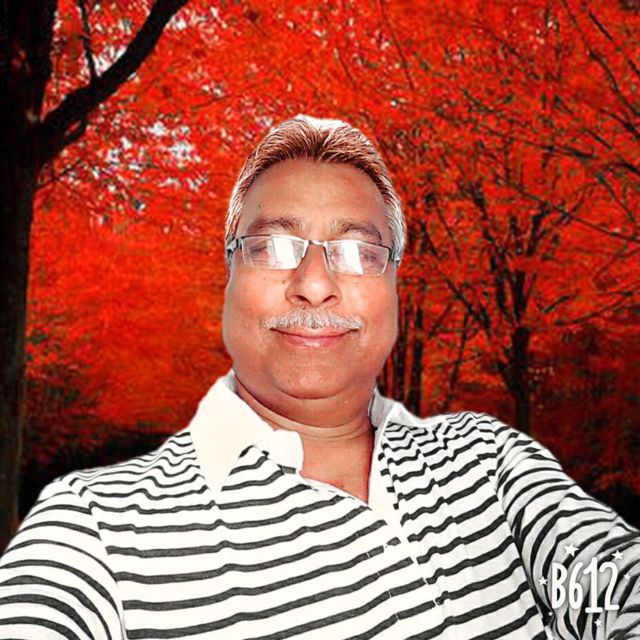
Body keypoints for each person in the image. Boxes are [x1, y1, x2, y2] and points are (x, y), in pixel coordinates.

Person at [0, 115, 637, 640]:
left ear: (394, 286)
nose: (313, 284)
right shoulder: (96, 529)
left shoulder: (491, 460)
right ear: (229, 274)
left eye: (358, 252)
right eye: (274, 247)